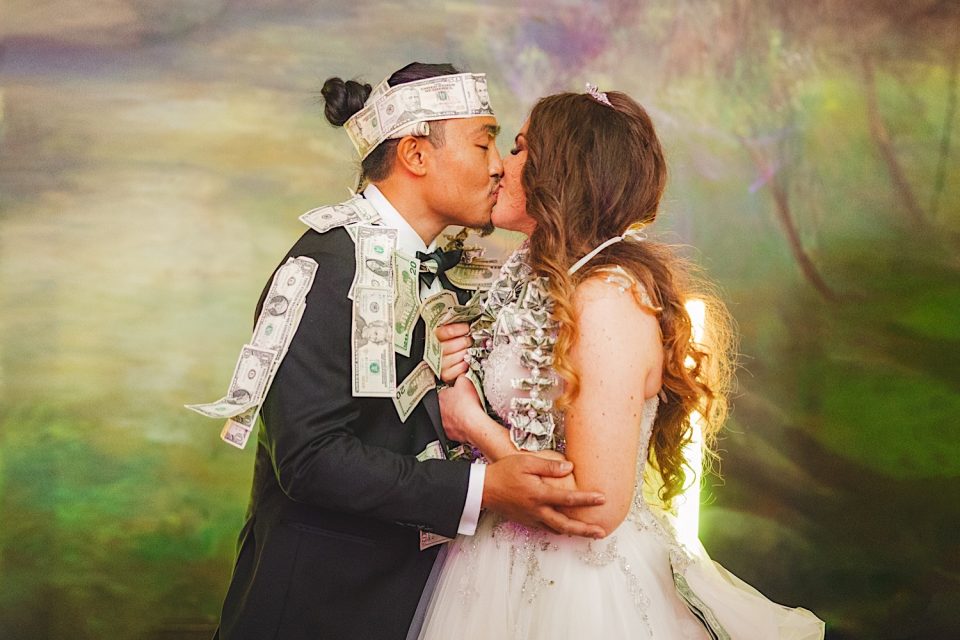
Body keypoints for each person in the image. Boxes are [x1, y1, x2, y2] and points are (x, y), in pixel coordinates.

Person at [212, 63, 608, 640]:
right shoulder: (327, 264)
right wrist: (482, 489)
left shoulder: (452, 272)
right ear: (416, 156)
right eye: (483, 141)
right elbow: (308, 458)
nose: (499, 164)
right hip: (319, 606)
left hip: (417, 600)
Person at [416, 87, 826, 639]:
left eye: (518, 149)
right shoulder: (533, 279)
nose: (500, 167)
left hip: (577, 595)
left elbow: (596, 510)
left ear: (561, 171)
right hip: (489, 565)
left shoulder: (608, 300)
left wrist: (474, 425)